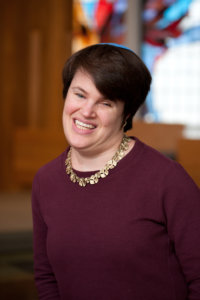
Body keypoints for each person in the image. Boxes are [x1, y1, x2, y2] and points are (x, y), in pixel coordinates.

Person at [32, 43, 200, 300]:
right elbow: (46, 276)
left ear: (127, 114)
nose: (86, 111)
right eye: (79, 94)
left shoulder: (167, 180)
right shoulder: (46, 180)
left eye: (106, 103)